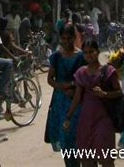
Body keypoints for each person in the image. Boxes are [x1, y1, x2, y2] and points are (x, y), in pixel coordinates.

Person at [64, 40, 122, 167]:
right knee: (87, 159)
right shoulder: (81, 72)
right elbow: (77, 97)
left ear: (97, 52)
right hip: (86, 121)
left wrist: (105, 94)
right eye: (85, 53)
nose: (89, 55)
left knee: (106, 159)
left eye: (91, 52)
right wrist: (68, 117)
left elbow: (119, 92)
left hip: (103, 119)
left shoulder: (108, 70)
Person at [45, 25, 85, 167]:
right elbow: (50, 79)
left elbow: (85, 79)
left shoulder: (81, 56)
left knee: (77, 140)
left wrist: (74, 89)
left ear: (75, 38)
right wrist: (63, 88)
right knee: (66, 141)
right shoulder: (56, 56)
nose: (66, 41)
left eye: (69, 38)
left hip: (77, 102)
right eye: (63, 39)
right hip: (60, 103)